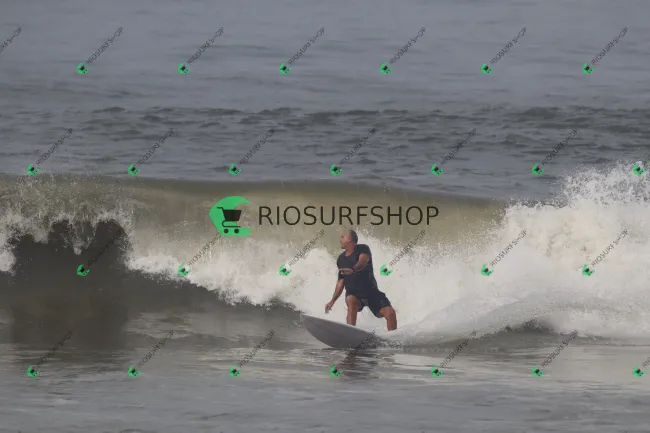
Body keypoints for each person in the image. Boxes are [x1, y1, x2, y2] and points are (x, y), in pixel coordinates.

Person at [325, 230, 397, 331]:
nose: (340, 240)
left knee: (390, 313)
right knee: (351, 300)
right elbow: (341, 282)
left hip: (371, 292)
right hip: (354, 294)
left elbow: (362, 262)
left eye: (342, 237)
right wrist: (332, 301)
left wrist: (352, 270)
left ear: (349, 239)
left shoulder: (363, 249)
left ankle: (392, 337)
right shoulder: (340, 259)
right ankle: (351, 332)